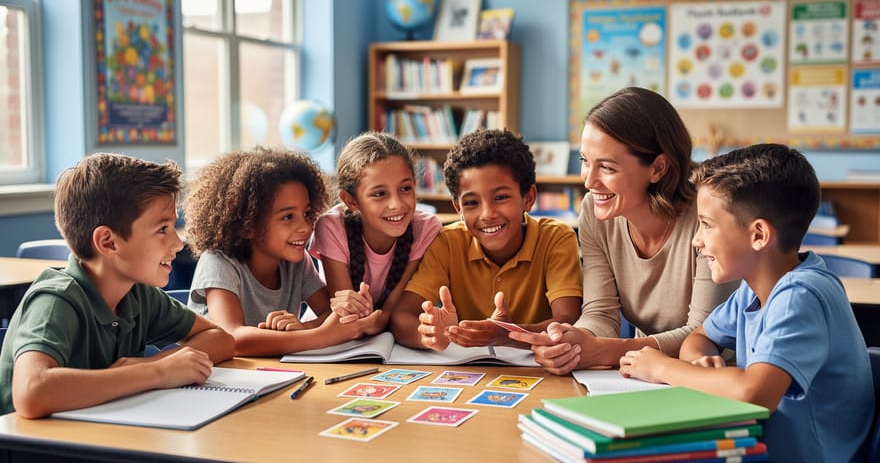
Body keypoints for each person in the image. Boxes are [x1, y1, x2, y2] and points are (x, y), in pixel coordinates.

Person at [619, 144, 873, 463]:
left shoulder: (799, 295)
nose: (696, 240)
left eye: (706, 225)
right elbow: (700, 337)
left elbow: (755, 394)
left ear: (758, 235)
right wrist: (699, 360)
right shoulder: (753, 289)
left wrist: (662, 367)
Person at [510, 87, 736, 373]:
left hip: (715, 374)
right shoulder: (594, 211)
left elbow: (705, 333)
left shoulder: (708, 216)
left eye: (606, 167)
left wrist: (607, 351)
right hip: (642, 371)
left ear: (657, 168)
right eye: (584, 162)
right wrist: (573, 343)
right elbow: (600, 312)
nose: (589, 182)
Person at [0, 153, 235, 418]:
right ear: (109, 242)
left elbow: (221, 340)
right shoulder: (56, 301)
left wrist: (159, 364)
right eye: (162, 229)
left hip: (101, 435)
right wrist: (156, 372)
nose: (178, 244)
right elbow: (31, 392)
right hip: (32, 451)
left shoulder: (137, 295)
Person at [391, 128, 583, 350]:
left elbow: (568, 319)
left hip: (540, 369)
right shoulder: (447, 243)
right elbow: (401, 316)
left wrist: (506, 334)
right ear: (458, 208)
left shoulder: (556, 238)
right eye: (472, 203)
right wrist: (430, 336)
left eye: (500, 197)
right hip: (471, 372)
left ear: (528, 198)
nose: (487, 214)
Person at [184, 147, 378, 357]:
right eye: (288, 217)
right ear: (247, 225)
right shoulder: (218, 262)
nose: (305, 227)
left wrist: (312, 324)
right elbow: (233, 338)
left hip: (270, 373)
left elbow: (330, 312)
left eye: (305, 213)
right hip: (216, 379)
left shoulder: (295, 262)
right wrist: (322, 335)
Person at [308, 132, 442, 335]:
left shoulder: (427, 228)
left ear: (415, 184)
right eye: (379, 194)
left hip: (385, 337)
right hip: (325, 333)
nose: (396, 204)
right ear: (350, 201)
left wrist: (375, 321)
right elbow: (347, 316)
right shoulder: (331, 227)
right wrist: (373, 321)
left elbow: (392, 311)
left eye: (405, 188)